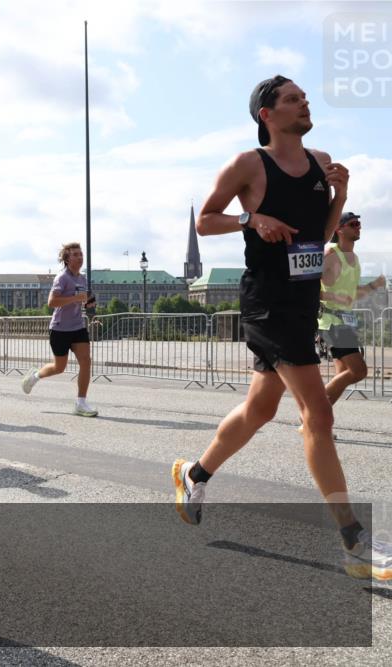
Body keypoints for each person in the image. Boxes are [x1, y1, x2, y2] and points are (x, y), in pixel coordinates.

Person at [171, 75, 389, 581]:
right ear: (267, 114)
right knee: (317, 413)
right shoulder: (250, 163)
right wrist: (251, 220)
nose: (304, 102)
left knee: (260, 408)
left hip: (303, 298)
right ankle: (354, 540)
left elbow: (321, 229)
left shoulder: (319, 161)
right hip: (268, 301)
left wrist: (342, 192)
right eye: (293, 99)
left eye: (304, 97)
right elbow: (205, 220)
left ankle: (194, 473)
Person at [20, 242, 99, 417]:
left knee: (86, 361)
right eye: (75, 254)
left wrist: (88, 303)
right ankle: (34, 376)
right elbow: (52, 302)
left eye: (81, 254)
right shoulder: (62, 278)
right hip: (60, 329)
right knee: (59, 367)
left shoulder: (82, 278)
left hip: (78, 326)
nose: (80, 257)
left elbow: (82, 300)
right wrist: (74, 298)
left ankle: (81, 402)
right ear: (67, 259)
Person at [317, 212, 386, 407]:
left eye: (359, 224)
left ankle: (316, 423)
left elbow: (353, 293)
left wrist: (374, 285)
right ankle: (311, 411)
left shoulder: (353, 259)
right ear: (339, 229)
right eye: (353, 224)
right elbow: (308, 287)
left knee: (342, 376)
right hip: (332, 322)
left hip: (344, 322)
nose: (358, 227)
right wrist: (333, 296)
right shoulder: (331, 253)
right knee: (358, 371)